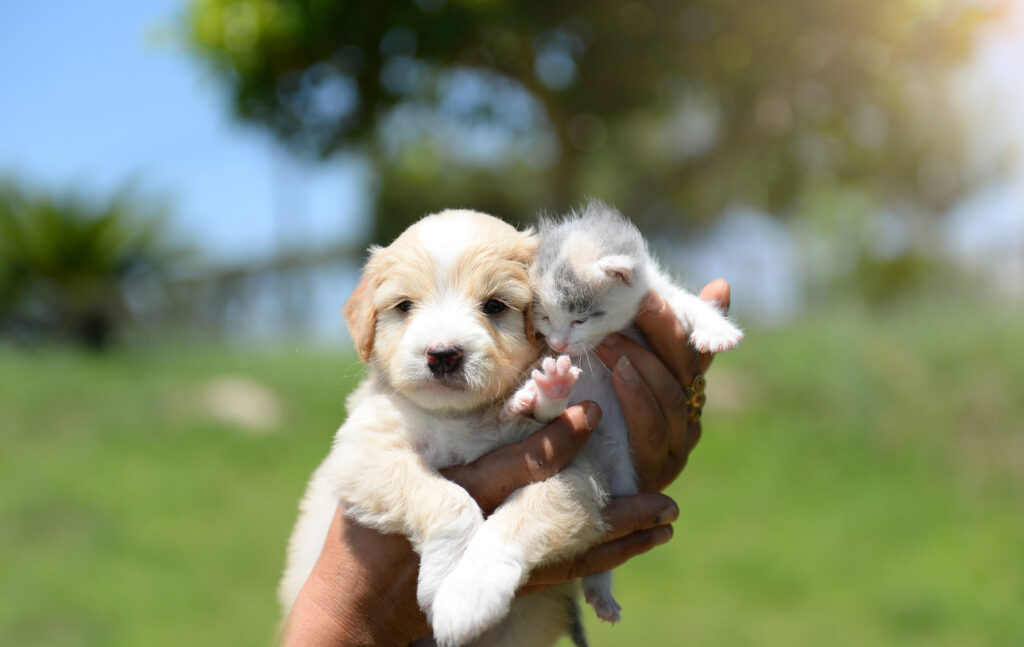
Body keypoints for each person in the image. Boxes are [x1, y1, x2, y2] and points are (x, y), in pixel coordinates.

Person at [281, 281, 732, 647]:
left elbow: (573, 492)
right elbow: (362, 470)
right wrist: (353, 623)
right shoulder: (385, 414)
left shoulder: (542, 370)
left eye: (494, 305)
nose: (442, 342)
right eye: (404, 305)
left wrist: (619, 442)